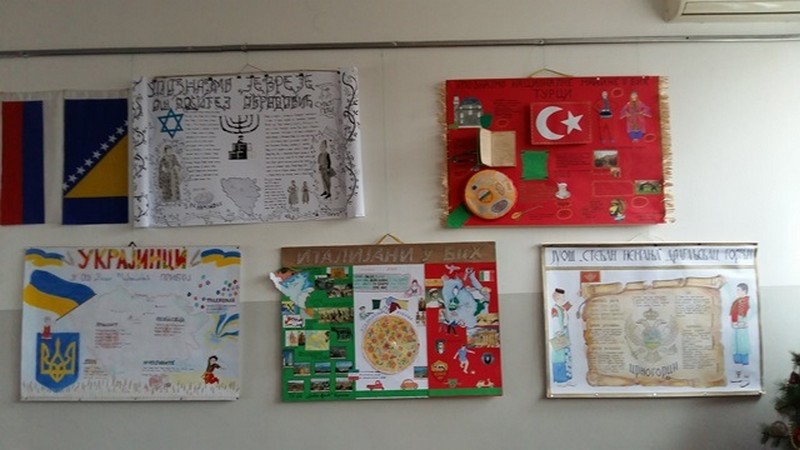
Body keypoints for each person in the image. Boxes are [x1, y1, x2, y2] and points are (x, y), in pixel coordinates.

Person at [550, 288, 573, 384]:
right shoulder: (555, 309)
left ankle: (567, 377)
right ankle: (560, 379)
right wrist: (558, 332)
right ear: (556, 298)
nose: (563, 299)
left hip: (565, 333)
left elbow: (570, 304)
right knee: (559, 356)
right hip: (559, 335)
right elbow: (555, 320)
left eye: (564, 297)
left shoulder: (562, 308)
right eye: (561, 297)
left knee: (566, 355)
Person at [730, 283, 751, 386]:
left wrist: (740, 324)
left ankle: (746, 379)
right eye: (737, 290)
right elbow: (733, 318)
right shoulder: (736, 302)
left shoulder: (748, 302)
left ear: (744, 290)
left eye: (738, 290)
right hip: (736, 332)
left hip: (743, 333)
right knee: (736, 354)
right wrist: (734, 324)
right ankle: (738, 376)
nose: (737, 292)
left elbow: (748, 320)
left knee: (743, 354)